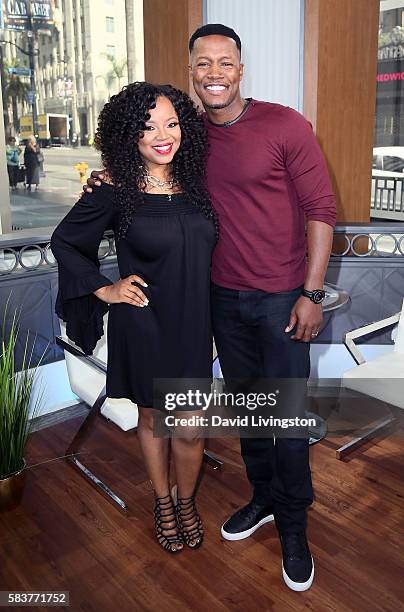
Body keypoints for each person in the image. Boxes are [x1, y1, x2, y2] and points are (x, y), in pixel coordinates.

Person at [84, 24, 336, 591]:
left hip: (281, 300)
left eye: (226, 62)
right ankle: (265, 498)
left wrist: (312, 292)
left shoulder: (284, 124)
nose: (215, 72)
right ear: (192, 70)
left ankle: (294, 527)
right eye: (204, 63)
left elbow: (321, 206)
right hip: (218, 301)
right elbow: (147, 163)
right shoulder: (186, 135)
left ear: (241, 70)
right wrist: (106, 174)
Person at [51, 82, 217, 554]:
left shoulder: (198, 182)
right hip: (143, 320)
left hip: (190, 323)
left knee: (189, 425)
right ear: (129, 136)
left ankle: (187, 502)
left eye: (170, 123)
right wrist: (106, 288)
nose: (162, 135)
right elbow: (65, 241)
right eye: (147, 128)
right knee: (152, 417)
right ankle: (163, 502)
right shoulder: (114, 190)